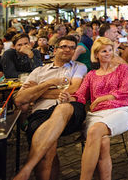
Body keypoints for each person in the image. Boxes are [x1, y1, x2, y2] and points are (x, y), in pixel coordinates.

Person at [12, 36, 87, 180]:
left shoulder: (78, 67)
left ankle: (27, 168)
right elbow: (20, 99)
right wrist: (48, 83)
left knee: (62, 109)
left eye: (72, 47)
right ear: (55, 49)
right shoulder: (39, 71)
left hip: (70, 111)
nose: (68, 50)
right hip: (40, 114)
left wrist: (37, 94)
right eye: (64, 46)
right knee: (47, 148)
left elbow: (73, 90)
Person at [59, 37, 128, 180]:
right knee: (103, 142)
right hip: (97, 114)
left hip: (121, 109)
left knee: (94, 130)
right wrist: (70, 98)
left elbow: (125, 91)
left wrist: (101, 98)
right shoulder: (91, 75)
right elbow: (80, 95)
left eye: (110, 50)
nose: (108, 53)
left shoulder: (121, 68)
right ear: (96, 54)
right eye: (104, 51)